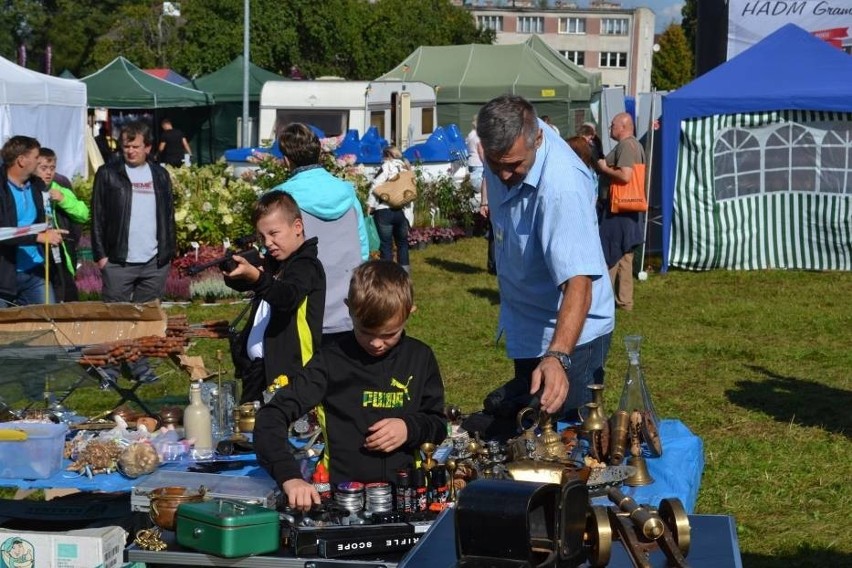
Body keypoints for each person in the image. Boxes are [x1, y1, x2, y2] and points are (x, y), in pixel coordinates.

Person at [254, 260, 447, 509]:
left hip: (406, 497)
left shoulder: (420, 357)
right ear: (349, 310)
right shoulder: (330, 359)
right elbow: (271, 416)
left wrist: (409, 427)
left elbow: (438, 424)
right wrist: (290, 477)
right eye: (366, 331)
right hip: (341, 497)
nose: (377, 343)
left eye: (389, 334)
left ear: (409, 312)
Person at [475, 95, 614, 424]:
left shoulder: (561, 188)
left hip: (573, 334)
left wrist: (558, 356)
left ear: (537, 138)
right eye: (496, 166)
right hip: (528, 323)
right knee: (531, 432)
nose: (505, 175)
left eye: (514, 166)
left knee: (568, 439)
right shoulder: (507, 149)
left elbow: (579, 283)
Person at [91, 120, 177, 383]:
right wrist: (102, 256)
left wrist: (167, 252)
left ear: (148, 147)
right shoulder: (108, 173)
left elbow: (168, 215)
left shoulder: (160, 175)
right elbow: (97, 216)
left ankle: (140, 367)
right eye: (126, 146)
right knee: (115, 318)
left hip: (154, 261)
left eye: (135, 146)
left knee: (144, 320)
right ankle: (112, 369)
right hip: (118, 261)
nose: (130, 151)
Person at [271, 123, 369, 345]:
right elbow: (363, 247)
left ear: (287, 160)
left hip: (303, 309)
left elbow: (272, 253)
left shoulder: (280, 200)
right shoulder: (347, 191)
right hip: (348, 306)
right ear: (319, 153)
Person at [225, 191, 326, 404]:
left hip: (290, 372)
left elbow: (286, 297)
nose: (268, 243)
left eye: (274, 233)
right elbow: (246, 283)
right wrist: (233, 272)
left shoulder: (306, 266)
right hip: (258, 370)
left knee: (277, 430)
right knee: (247, 430)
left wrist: (257, 277)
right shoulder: (275, 263)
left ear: (297, 227)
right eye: (262, 237)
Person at [0, 136, 66, 307]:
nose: (39, 161)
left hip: (36, 272)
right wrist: (38, 237)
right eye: (36, 157)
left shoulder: (37, 186)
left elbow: (41, 223)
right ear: (21, 160)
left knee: (49, 324)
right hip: (4, 276)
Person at [596, 112, 645, 311]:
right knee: (625, 254)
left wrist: (602, 168)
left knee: (611, 252)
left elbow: (625, 176)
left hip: (618, 209)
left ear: (623, 126)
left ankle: (604, 300)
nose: (610, 128)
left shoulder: (626, 146)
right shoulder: (636, 145)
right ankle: (624, 302)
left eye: (613, 125)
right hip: (629, 209)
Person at [36, 148, 90, 302]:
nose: (48, 173)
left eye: (52, 169)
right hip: (38, 249)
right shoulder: (30, 188)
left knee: (66, 292)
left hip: (59, 250)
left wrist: (63, 200)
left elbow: (83, 214)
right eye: (44, 168)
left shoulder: (60, 188)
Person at [367, 146, 413, 272]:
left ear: (387, 156)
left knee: (386, 245)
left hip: (384, 210)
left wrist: (370, 206)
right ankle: (405, 275)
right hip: (402, 211)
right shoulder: (406, 168)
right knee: (402, 245)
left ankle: (388, 277)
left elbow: (375, 187)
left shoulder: (387, 166)